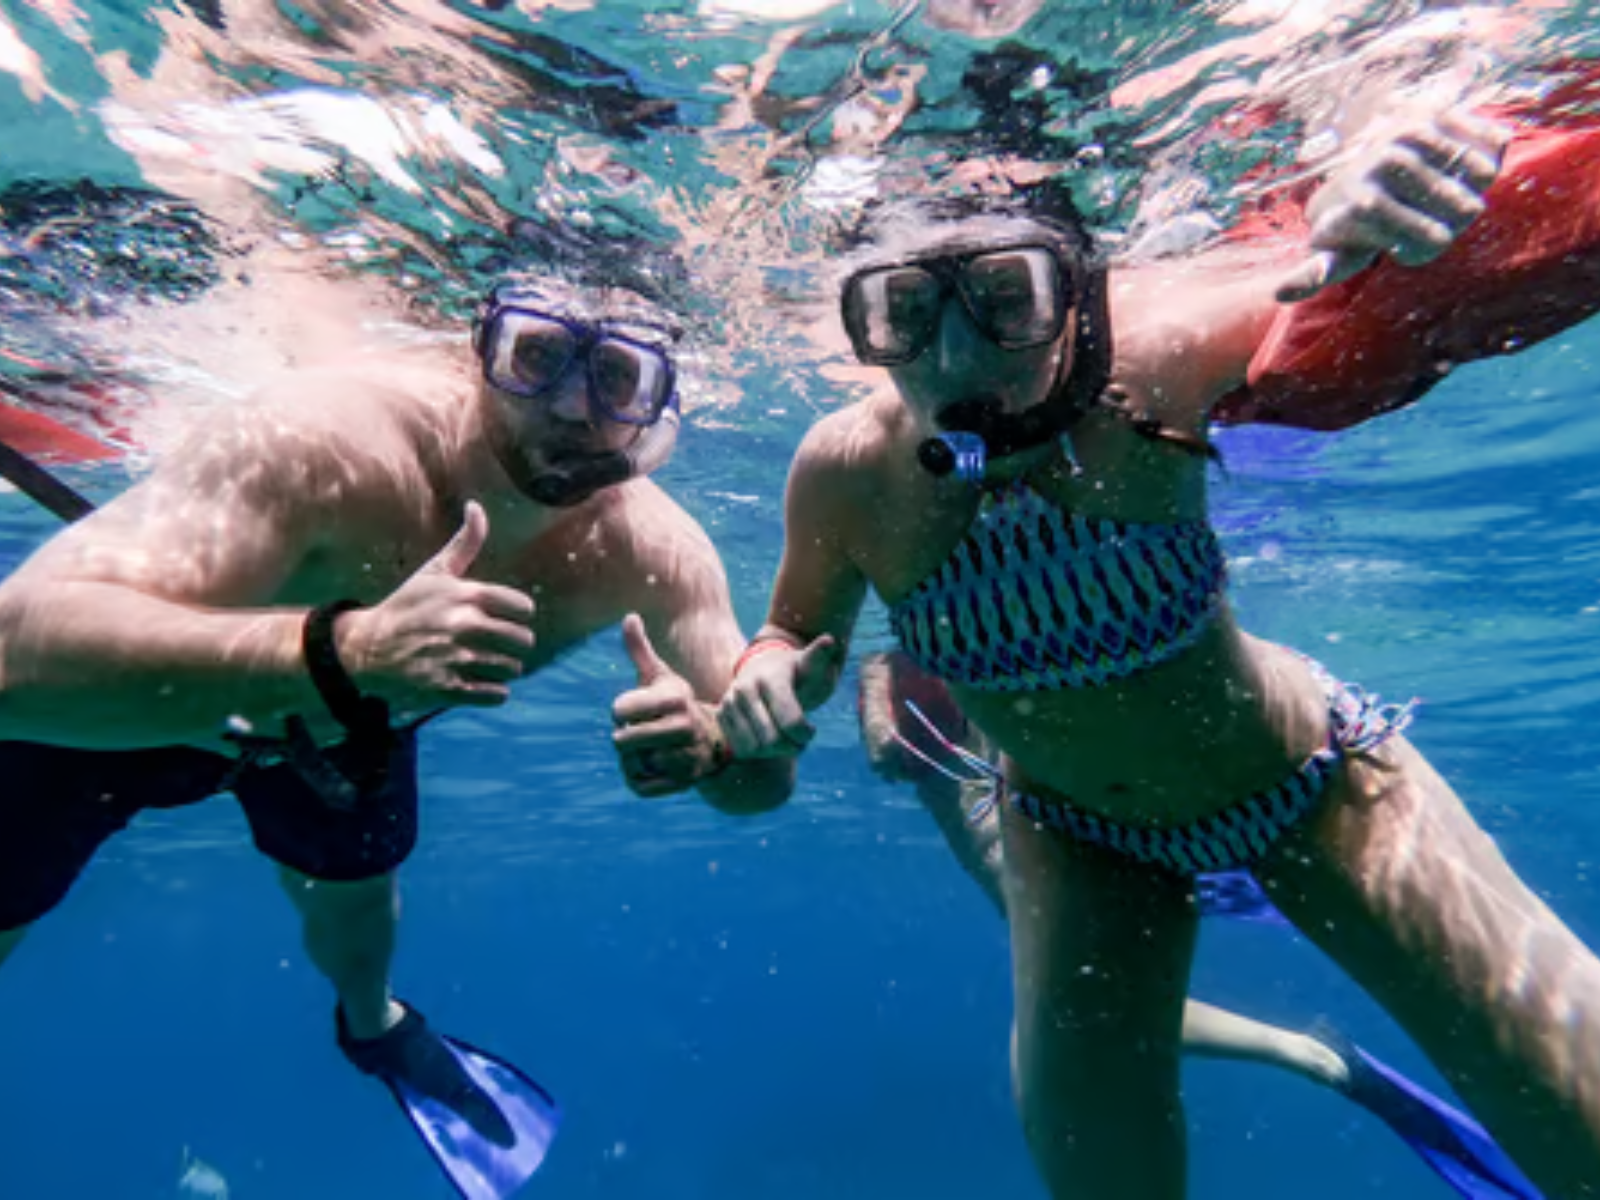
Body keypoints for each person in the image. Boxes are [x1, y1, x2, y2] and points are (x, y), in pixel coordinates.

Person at [715, 105, 1600, 1198]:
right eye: (902, 313)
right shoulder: (846, 472)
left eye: (1005, 302)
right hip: (1075, 836)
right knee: (1100, 1174)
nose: (954, 358)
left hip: (1312, 786)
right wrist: (766, 672)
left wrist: (1357, 217)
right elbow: (795, 631)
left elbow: (1319, 290)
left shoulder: (1154, 363)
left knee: (1581, 1117)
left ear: (1077, 295)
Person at [0, 273, 786, 1199]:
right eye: (537, 358)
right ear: (478, 358)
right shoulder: (325, 439)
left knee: (356, 916)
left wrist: (714, 751)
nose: (573, 406)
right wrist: (350, 647)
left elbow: (758, 784)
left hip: (349, 723)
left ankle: (375, 1025)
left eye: (617, 378)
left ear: (659, 409)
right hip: (138, 689)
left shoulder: (658, 554)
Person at [858, 648, 1540, 1198]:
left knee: (1063, 1015)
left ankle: (1315, 1054)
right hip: (1061, 816)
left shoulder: (998, 555)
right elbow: (863, 649)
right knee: (1070, 1010)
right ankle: (1316, 1054)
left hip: (1102, 802)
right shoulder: (906, 566)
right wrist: (875, 694)